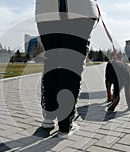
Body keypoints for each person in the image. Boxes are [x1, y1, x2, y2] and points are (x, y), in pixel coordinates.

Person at [35, 0, 99, 138]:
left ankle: (49, 117)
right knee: (72, 64)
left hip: (46, 11)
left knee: (52, 62)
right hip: (79, 10)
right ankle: (65, 125)